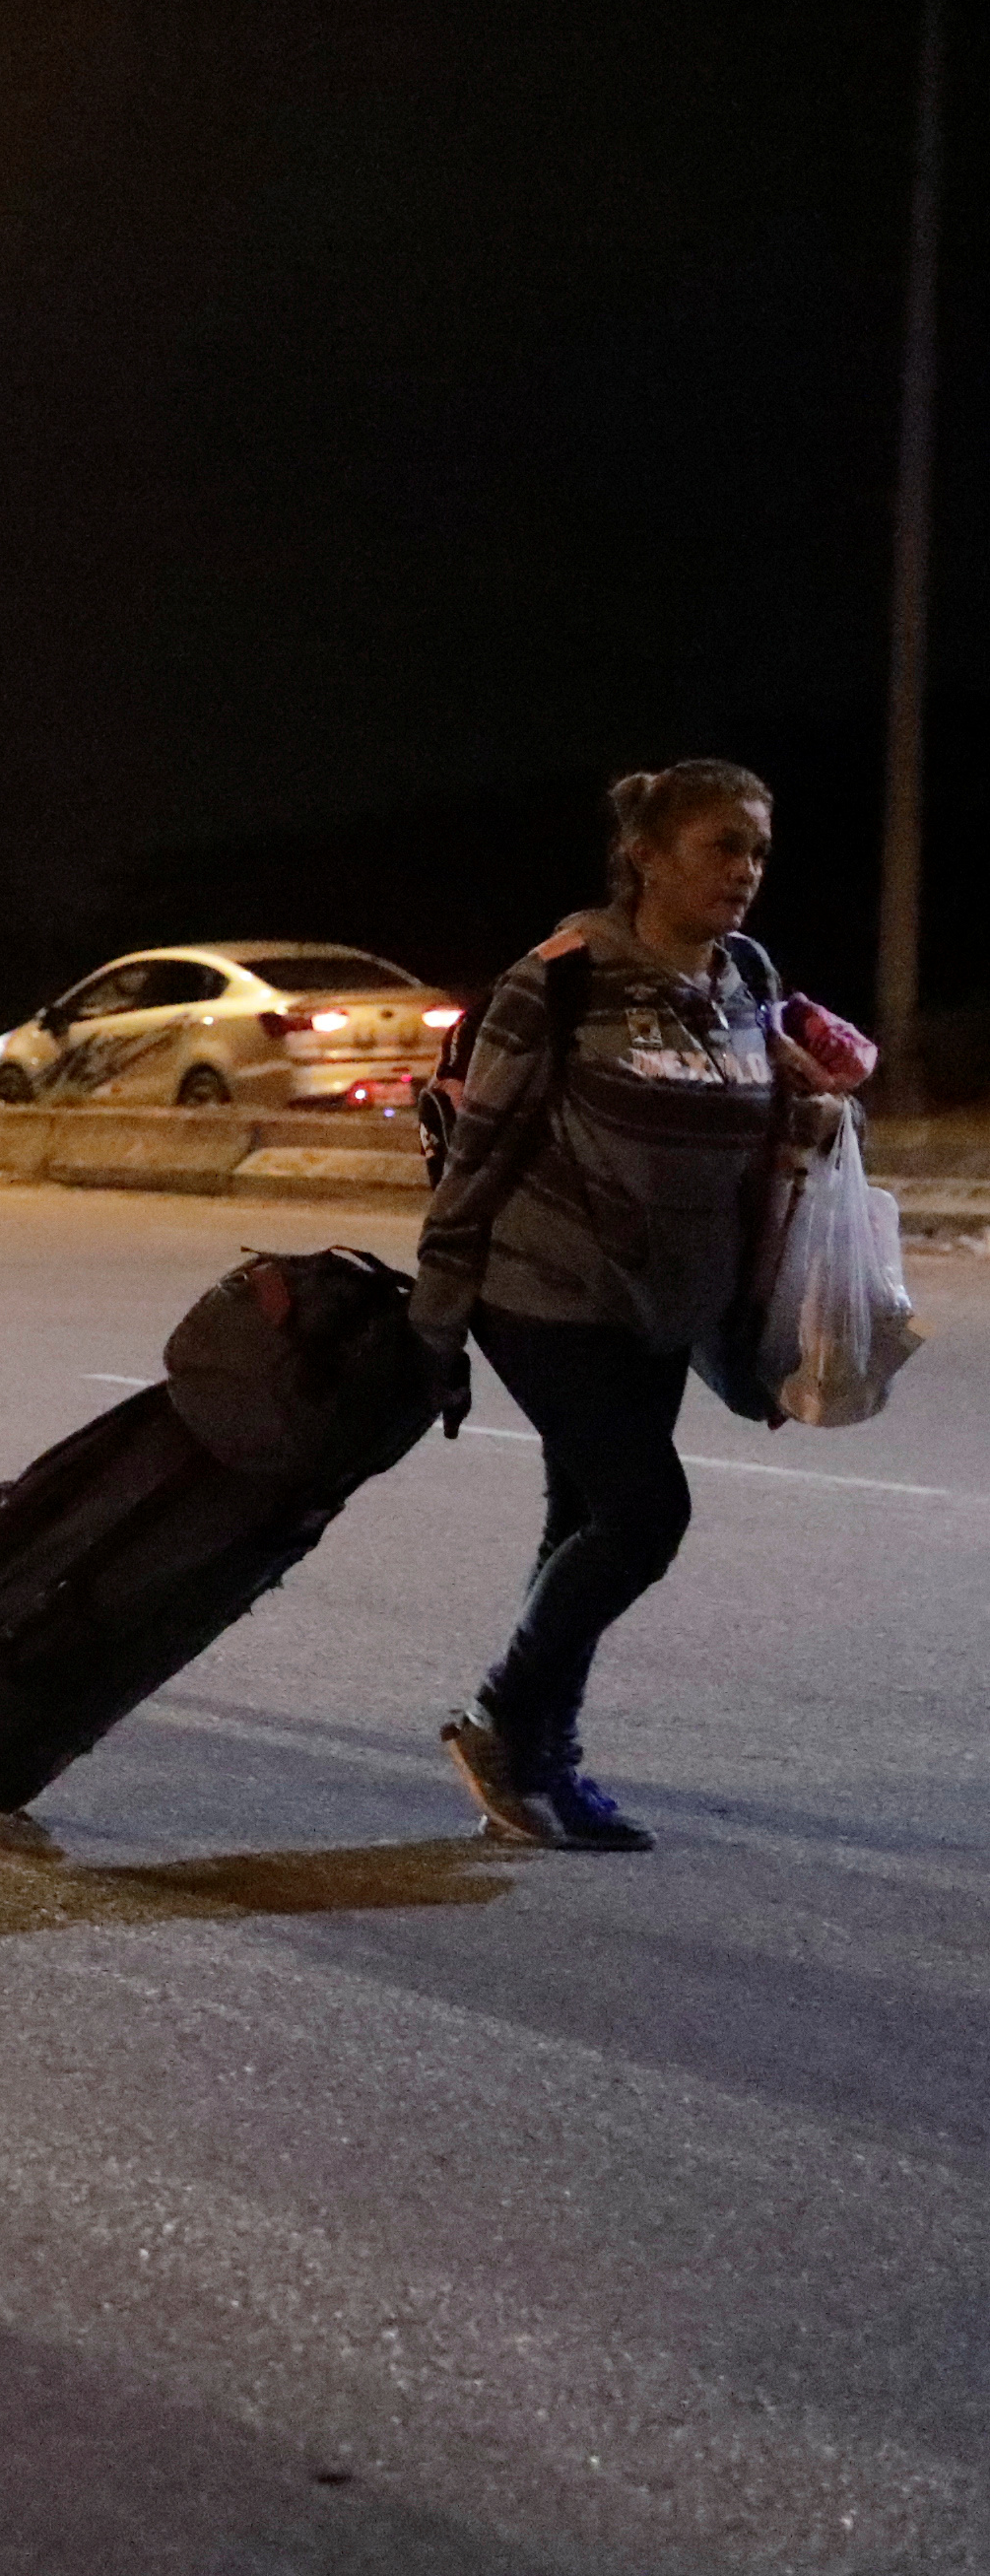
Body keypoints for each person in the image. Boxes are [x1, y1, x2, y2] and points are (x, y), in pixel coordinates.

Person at [411, 760, 859, 1852]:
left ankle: (536, 1772)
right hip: (546, 1289)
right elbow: (476, 1158)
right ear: (645, 856)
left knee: (584, 1521)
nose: (745, 871)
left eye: (757, 849)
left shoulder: (748, 978)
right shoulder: (557, 979)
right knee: (644, 1514)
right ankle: (503, 1718)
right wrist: (435, 1320)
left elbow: (752, 1147)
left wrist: (808, 1115)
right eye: (721, 845)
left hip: (665, 1302)